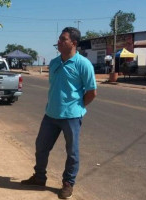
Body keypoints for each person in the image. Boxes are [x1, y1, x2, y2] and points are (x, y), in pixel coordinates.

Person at [21, 27, 97, 199]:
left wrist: (77, 107)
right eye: (59, 39)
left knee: (72, 152)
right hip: (51, 115)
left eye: (63, 39)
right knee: (41, 147)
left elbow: (92, 92)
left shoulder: (83, 64)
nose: (59, 42)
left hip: (71, 117)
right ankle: (39, 177)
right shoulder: (54, 63)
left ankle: (68, 184)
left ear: (74, 43)